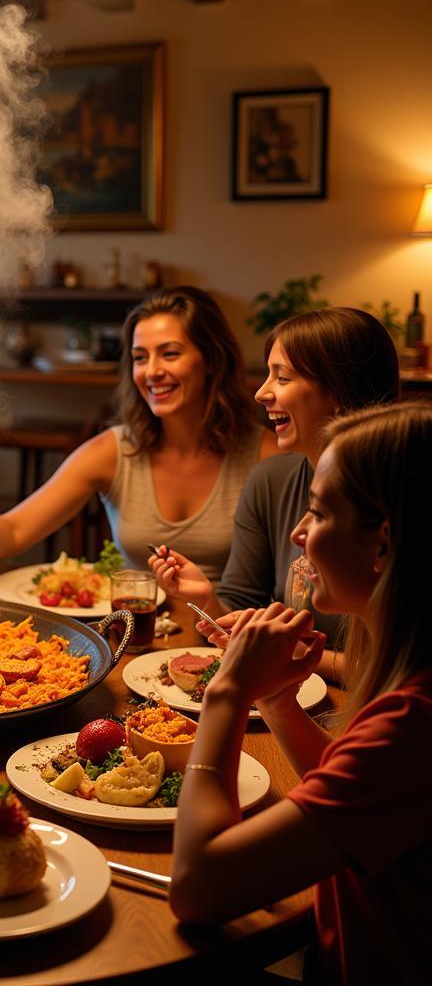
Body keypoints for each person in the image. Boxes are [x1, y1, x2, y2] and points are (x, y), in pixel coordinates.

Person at [169, 402, 432, 985]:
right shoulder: (408, 692)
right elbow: (354, 803)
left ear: (382, 545)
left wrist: (228, 692)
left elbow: (197, 887)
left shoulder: (413, 725)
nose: (298, 532)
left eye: (317, 511)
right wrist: (280, 702)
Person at [0, 286, 277, 577]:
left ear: (211, 360)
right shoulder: (114, 450)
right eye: (139, 357)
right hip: (134, 636)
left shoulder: (265, 454)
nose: (151, 371)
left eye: (170, 354)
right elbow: (14, 533)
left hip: (225, 641)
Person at [150, 308, 399, 648]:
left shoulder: (401, 495)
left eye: (282, 378)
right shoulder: (271, 480)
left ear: (340, 393)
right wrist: (208, 600)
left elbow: (407, 667)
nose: (261, 393)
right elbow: (241, 613)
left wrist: (294, 654)